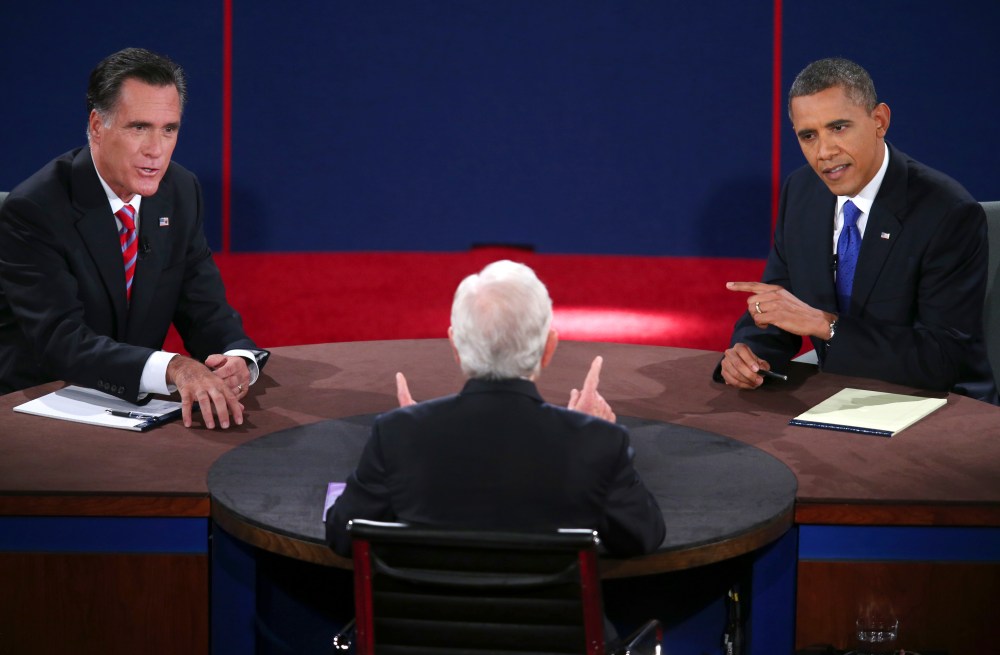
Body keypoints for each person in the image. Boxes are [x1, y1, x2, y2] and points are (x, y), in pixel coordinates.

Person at [0, 48, 268, 428]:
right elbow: (61, 341)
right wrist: (174, 367)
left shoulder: (180, 190)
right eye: (139, 128)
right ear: (97, 126)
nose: (155, 150)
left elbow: (203, 307)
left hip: (134, 410)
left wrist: (236, 356)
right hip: (42, 407)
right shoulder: (36, 209)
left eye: (169, 129)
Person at [326, 260, 665, 558]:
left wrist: (411, 440)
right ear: (548, 348)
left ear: (455, 346)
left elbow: (342, 535)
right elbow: (643, 535)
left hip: (425, 615)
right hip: (547, 614)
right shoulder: (596, 442)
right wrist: (593, 437)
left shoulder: (397, 433)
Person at [718, 57, 997, 404]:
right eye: (809, 136)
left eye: (838, 127)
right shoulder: (801, 192)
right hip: (840, 395)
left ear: (879, 121)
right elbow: (780, 300)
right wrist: (749, 353)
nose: (824, 152)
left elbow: (943, 358)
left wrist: (828, 327)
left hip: (939, 403)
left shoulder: (945, 212)